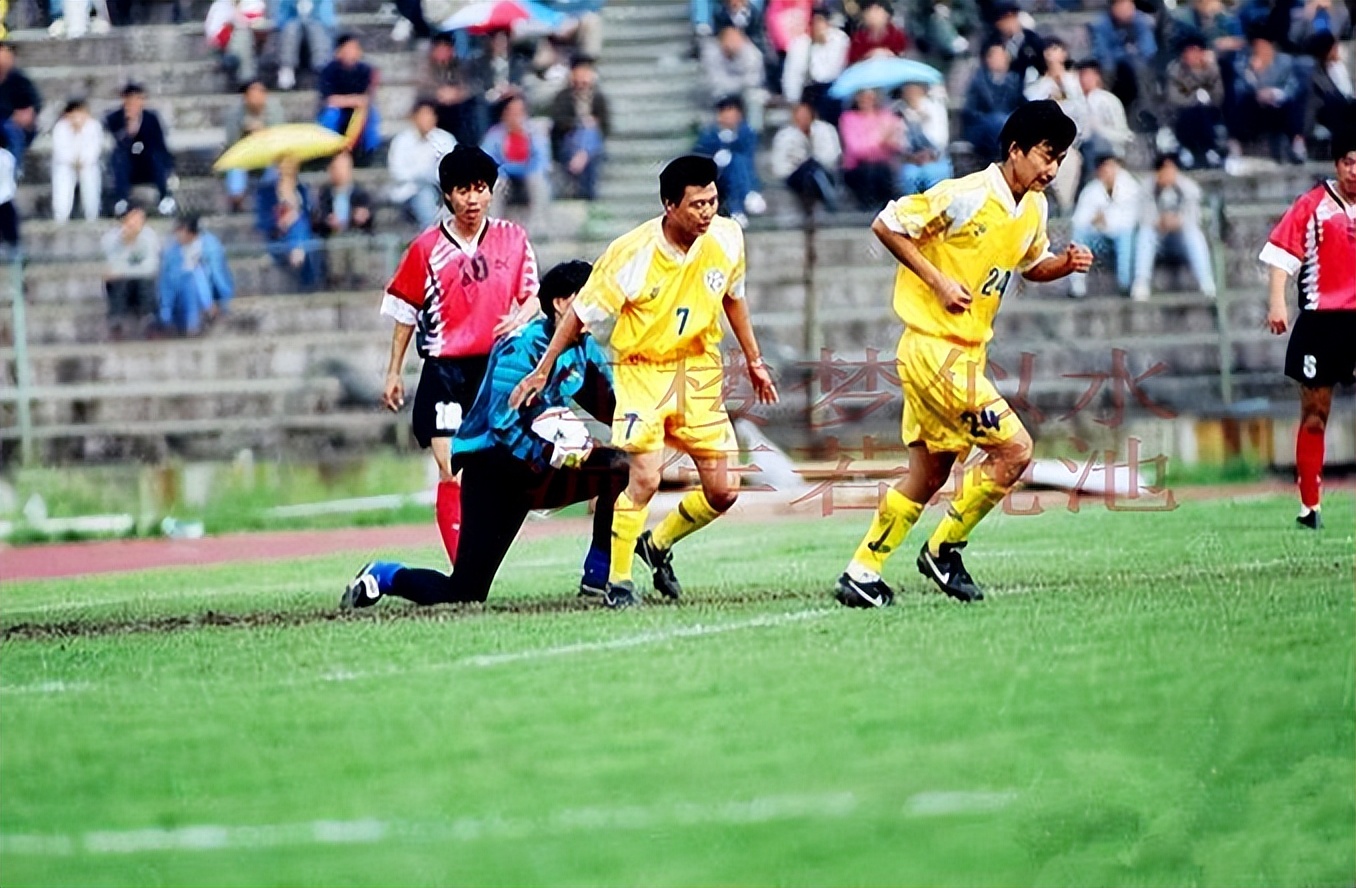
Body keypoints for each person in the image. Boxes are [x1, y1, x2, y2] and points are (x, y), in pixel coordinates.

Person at [834, 100, 1092, 608]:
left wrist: (1063, 265)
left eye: (1059, 158)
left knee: (930, 473)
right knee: (1015, 450)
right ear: (1015, 150)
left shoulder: (1034, 207)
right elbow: (887, 224)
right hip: (934, 350)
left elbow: (1030, 264)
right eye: (1045, 155)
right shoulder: (967, 194)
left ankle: (861, 571)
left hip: (965, 353)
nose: (1052, 169)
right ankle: (944, 548)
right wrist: (938, 279)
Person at [510, 155, 780, 607]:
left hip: (698, 370)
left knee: (724, 490)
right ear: (669, 205)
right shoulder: (631, 253)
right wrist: (543, 369)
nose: (707, 213)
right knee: (646, 477)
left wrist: (754, 361)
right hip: (642, 373)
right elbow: (579, 315)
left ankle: (657, 544)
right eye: (697, 205)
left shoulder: (728, 238)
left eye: (712, 201)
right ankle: (619, 582)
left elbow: (735, 298)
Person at [343, 261, 629, 609]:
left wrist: (653, 428)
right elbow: (503, 421)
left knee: (620, 465)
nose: (596, 305)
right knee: (465, 593)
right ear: (560, 303)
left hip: (541, 469)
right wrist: (553, 453)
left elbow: (613, 407)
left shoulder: (585, 349)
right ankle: (384, 575)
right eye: (587, 296)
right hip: (495, 470)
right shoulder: (521, 347)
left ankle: (598, 576)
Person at [380, 145, 541, 568]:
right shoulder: (426, 248)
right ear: (448, 195)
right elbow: (405, 313)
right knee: (452, 468)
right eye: (462, 190)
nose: (472, 199)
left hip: (497, 371)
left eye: (480, 189)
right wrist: (394, 372)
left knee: (497, 472)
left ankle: (475, 559)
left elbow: (532, 297)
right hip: (445, 371)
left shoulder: (513, 238)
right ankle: (462, 571)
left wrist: (518, 318)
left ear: (491, 191)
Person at [1259, 127, 1356, 531]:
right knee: (1315, 413)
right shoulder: (1313, 204)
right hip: (1321, 321)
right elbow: (1283, 255)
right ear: (1337, 165)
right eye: (1350, 162)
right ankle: (1309, 506)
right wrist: (1277, 301)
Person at [1132, 153, 1215, 301]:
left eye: (1171, 170)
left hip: (1180, 239)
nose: (1168, 174)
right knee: (1146, 234)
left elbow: (1194, 216)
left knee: (1193, 233)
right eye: (1164, 170)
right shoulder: (1146, 188)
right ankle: (1141, 283)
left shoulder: (1189, 188)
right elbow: (1143, 218)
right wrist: (1160, 221)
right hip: (1158, 240)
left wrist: (1177, 221)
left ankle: (1206, 283)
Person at [1023, 37, 1086, 211]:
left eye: (1057, 50)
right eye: (1049, 50)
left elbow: (1080, 110)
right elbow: (1031, 105)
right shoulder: (1035, 79)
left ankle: (1064, 207)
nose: (1052, 55)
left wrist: (1062, 83)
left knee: (1071, 161)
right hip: (1041, 139)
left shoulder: (1072, 81)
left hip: (1068, 139)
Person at [1069, 152, 1141, 298]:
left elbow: (1132, 219)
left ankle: (1124, 284)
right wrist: (1093, 220)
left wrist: (1108, 220)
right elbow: (1079, 220)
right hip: (1099, 239)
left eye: (1112, 167)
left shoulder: (1130, 187)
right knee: (1079, 236)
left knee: (1125, 236)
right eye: (1105, 168)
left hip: (1123, 237)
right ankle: (1077, 285)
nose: (1109, 171)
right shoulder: (1090, 191)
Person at [1228, 31, 1305, 163]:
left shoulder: (1284, 61)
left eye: (1263, 46)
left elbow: (1293, 86)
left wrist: (1276, 93)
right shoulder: (1243, 63)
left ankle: (1297, 144)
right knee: (1239, 104)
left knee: (1294, 103)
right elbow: (1238, 89)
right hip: (1255, 106)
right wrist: (1252, 76)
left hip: (1278, 105)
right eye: (1256, 46)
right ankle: (1235, 147)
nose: (1260, 49)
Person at [481, 94, 552, 236]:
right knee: (494, 183)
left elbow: (542, 160)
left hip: (528, 173)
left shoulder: (535, 134)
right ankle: (492, 226)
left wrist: (527, 170)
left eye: (519, 112)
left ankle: (537, 227)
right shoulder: (495, 134)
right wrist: (501, 170)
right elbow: (486, 159)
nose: (515, 116)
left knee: (538, 181)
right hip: (503, 175)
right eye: (511, 111)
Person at [106, 83, 176, 217]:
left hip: (147, 163)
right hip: (127, 165)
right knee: (120, 158)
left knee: (156, 157)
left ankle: (165, 198)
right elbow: (114, 144)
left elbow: (159, 145)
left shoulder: (151, 119)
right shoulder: (114, 119)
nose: (133, 104)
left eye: (137, 99)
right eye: (130, 100)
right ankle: (121, 200)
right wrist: (128, 129)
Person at [694, 95, 764, 226]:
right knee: (734, 161)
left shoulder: (746, 133)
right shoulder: (710, 135)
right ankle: (746, 197)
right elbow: (700, 155)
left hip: (738, 175)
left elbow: (749, 155)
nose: (729, 116)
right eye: (725, 111)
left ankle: (742, 201)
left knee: (737, 161)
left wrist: (731, 144)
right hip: (716, 178)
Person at [158, 214, 233, 336]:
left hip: (210, 293)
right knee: (190, 281)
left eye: (180, 230)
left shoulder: (210, 246)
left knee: (197, 275)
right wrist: (165, 312)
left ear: (190, 232)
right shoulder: (172, 252)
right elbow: (167, 282)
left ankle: (204, 317)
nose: (176, 234)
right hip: (179, 297)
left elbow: (218, 276)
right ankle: (193, 324)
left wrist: (223, 302)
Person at [548, 56, 610, 200]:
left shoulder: (598, 98)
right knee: (587, 129)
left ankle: (582, 156)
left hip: (594, 143)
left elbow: (606, 127)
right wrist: (580, 123)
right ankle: (583, 155)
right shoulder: (563, 97)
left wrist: (590, 124)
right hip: (568, 141)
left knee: (591, 131)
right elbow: (559, 123)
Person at [387, 99, 457, 228]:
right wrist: (422, 175)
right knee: (425, 195)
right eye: (423, 115)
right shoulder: (402, 141)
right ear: (414, 117)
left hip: (441, 189)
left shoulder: (445, 139)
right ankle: (432, 234)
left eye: (430, 115)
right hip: (409, 191)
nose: (426, 119)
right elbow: (397, 171)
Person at [255, 154, 321, 289]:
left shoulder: (302, 190)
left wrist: (299, 212)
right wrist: (281, 222)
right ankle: (297, 248)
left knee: (300, 224)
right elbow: (264, 221)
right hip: (278, 236)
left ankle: (298, 249)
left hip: (303, 233)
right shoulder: (267, 193)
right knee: (298, 225)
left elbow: (311, 215)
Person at [1087, 0, 1157, 123]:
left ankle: (1146, 111)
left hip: (1134, 64)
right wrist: (1126, 53)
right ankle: (1104, 109)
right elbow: (1101, 52)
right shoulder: (1101, 24)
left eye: (1129, 5)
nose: (1126, 9)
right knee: (1107, 67)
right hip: (1112, 65)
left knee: (1141, 66)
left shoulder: (1142, 21)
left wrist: (1129, 55)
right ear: (1113, 7)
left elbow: (1149, 49)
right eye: (1121, 5)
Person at [312, 150, 373, 289]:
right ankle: (335, 281)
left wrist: (362, 215)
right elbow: (317, 217)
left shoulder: (360, 192)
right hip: (333, 233)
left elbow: (370, 215)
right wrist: (328, 220)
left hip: (354, 230)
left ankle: (359, 280)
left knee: (357, 242)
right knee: (336, 245)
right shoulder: (325, 193)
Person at [1166, 31, 1226, 169]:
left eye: (1195, 51)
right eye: (1187, 51)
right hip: (1183, 114)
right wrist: (1195, 98)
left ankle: (1210, 150)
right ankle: (1190, 150)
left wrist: (1207, 99)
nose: (1191, 55)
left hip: (1209, 112)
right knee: (1193, 113)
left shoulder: (1211, 69)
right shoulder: (1175, 70)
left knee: (1202, 113)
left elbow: (1218, 96)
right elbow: (1174, 98)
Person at [317, 33, 381, 161]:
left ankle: (369, 153)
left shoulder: (365, 70)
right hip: (337, 109)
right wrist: (353, 100)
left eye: (355, 48)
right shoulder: (329, 70)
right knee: (331, 115)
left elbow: (367, 97)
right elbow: (330, 100)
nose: (353, 52)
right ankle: (327, 153)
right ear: (339, 52)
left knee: (372, 114)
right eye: (349, 48)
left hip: (357, 111)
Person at [780, 6, 850, 124]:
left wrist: (819, 46)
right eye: (815, 22)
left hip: (831, 88)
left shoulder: (840, 40)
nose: (818, 26)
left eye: (821, 21)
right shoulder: (799, 43)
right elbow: (792, 75)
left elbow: (828, 73)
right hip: (809, 90)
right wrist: (793, 102)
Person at [222, 79, 284, 212]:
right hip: (243, 153)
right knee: (234, 165)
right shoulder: (235, 114)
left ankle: (270, 198)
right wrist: (246, 132)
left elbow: (280, 137)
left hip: (269, 153)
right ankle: (236, 198)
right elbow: (231, 142)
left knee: (278, 166)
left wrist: (263, 133)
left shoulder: (275, 110)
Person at [769, 100, 842, 212]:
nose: (803, 118)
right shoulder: (784, 136)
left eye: (806, 114)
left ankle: (817, 200)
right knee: (807, 171)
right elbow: (779, 164)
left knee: (812, 169)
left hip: (823, 171)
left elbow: (832, 155)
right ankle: (827, 197)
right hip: (795, 175)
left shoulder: (825, 130)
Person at [419, 32, 488, 149]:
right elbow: (423, 90)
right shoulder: (426, 68)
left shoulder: (462, 66)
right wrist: (439, 93)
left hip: (458, 110)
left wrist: (458, 93)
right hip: (436, 108)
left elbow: (475, 86)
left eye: (446, 49)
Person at [102, 200, 160, 338]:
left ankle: (149, 319)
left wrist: (124, 271)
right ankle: (116, 321)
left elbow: (150, 268)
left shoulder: (150, 237)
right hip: (121, 285)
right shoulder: (110, 239)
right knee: (118, 282)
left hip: (141, 283)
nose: (134, 224)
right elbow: (111, 268)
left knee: (145, 281)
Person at [962, 40, 1026, 164]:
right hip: (981, 127)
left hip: (1008, 124)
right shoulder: (978, 81)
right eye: (994, 56)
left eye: (1002, 56)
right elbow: (970, 110)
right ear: (987, 59)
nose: (999, 59)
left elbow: (1020, 104)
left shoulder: (1015, 80)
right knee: (998, 121)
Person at [839, 88, 902, 210]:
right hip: (858, 166)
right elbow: (855, 148)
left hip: (883, 165)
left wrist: (888, 141)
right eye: (862, 97)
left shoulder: (886, 117)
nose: (866, 100)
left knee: (883, 170)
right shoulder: (848, 118)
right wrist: (880, 141)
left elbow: (896, 144)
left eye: (870, 97)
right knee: (869, 170)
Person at [701, 25, 768, 133]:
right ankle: (719, 138)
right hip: (720, 95)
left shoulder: (752, 52)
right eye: (728, 43)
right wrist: (741, 82)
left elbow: (754, 80)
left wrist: (735, 83)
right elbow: (716, 83)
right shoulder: (710, 52)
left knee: (756, 97)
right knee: (718, 98)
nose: (732, 46)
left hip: (745, 93)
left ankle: (752, 135)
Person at [51, 98, 103, 223]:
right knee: (63, 180)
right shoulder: (60, 128)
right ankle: (61, 217)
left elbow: (95, 149)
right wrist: (73, 160)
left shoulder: (94, 126)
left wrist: (83, 160)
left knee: (90, 176)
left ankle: (92, 216)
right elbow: (60, 151)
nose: (77, 118)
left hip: (87, 164)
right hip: (66, 164)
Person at [896, 82, 952, 196]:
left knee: (933, 174)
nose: (911, 94)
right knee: (909, 176)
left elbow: (941, 139)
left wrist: (921, 118)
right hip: (911, 160)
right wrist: (911, 156)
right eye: (908, 91)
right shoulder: (898, 111)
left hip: (935, 158)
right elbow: (899, 142)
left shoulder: (936, 109)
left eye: (914, 90)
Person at [275, 0, 335, 92]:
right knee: (291, 28)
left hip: (318, 32)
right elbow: (281, 19)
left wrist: (308, 21)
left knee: (316, 29)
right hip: (293, 35)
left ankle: (321, 69)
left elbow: (328, 20)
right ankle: (287, 68)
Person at [0, 41, 41, 172]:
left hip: (12, 122)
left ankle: (14, 171)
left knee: (14, 132)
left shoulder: (18, 78)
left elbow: (34, 102)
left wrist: (29, 112)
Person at [986, 1, 1045, 83]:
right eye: (1004, 19)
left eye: (1012, 17)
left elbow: (1041, 63)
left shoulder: (1031, 39)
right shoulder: (992, 42)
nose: (1008, 23)